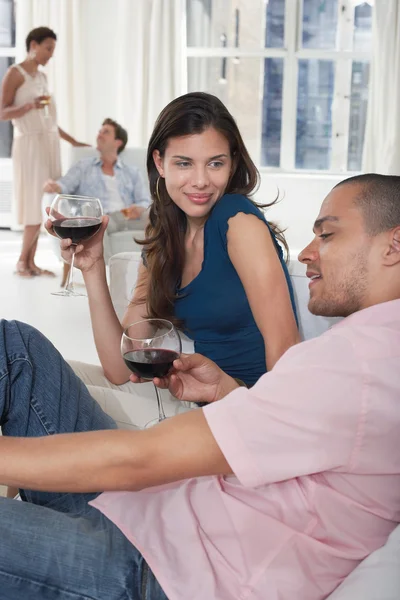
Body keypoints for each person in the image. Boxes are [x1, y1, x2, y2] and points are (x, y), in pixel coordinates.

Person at [1, 173, 400, 600]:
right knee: (16, 347)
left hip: (164, 573)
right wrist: (231, 394)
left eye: (327, 234)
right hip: (159, 518)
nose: (305, 253)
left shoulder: (357, 360)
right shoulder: (369, 350)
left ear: (394, 246)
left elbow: (140, 461)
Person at [46, 92, 299, 422]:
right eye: (184, 163)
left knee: (37, 380)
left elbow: (286, 349)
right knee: (40, 365)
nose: (200, 181)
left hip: (242, 410)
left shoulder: (238, 221)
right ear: (159, 163)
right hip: (193, 400)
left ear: (232, 163)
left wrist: (269, 431)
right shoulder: (166, 229)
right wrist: (92, 265)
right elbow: (119, 368)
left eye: (215, 163)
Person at [0, 26, 88, 278]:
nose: (51, 54)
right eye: (48, 48)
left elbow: (49, 121)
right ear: (34, 45)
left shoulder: (42, 77)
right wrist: (29, 106)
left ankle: (31, 262)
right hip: (28, 144)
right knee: (31, 203)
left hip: (48, 143)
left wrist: (73, 141)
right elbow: (2, 112)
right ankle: (21, 262)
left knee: (46, 204)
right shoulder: (14, 73)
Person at [44, 117, 150, 285]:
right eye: (99, 131)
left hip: (130, 217)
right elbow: (64, 185)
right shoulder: (84, 166)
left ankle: (160, 276)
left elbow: (145, 200)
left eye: (105, 132)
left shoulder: (132, 172)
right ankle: (104, 280)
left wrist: (139, 208)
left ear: (118, 142)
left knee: (159, 215)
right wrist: (53, 186)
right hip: (103, 217)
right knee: (100, 220)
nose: (99, 134)